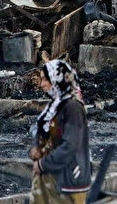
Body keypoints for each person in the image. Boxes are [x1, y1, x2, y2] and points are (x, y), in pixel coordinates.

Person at [30, 59, 91, 204]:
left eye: (46, 79)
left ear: (57, 79)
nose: (42, 84)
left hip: (68, 181)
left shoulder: (73, 108)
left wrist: (43, 164)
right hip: (50, 176)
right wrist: (36, 149)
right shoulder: (55, 106)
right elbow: (44, 133)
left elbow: (70, 146)